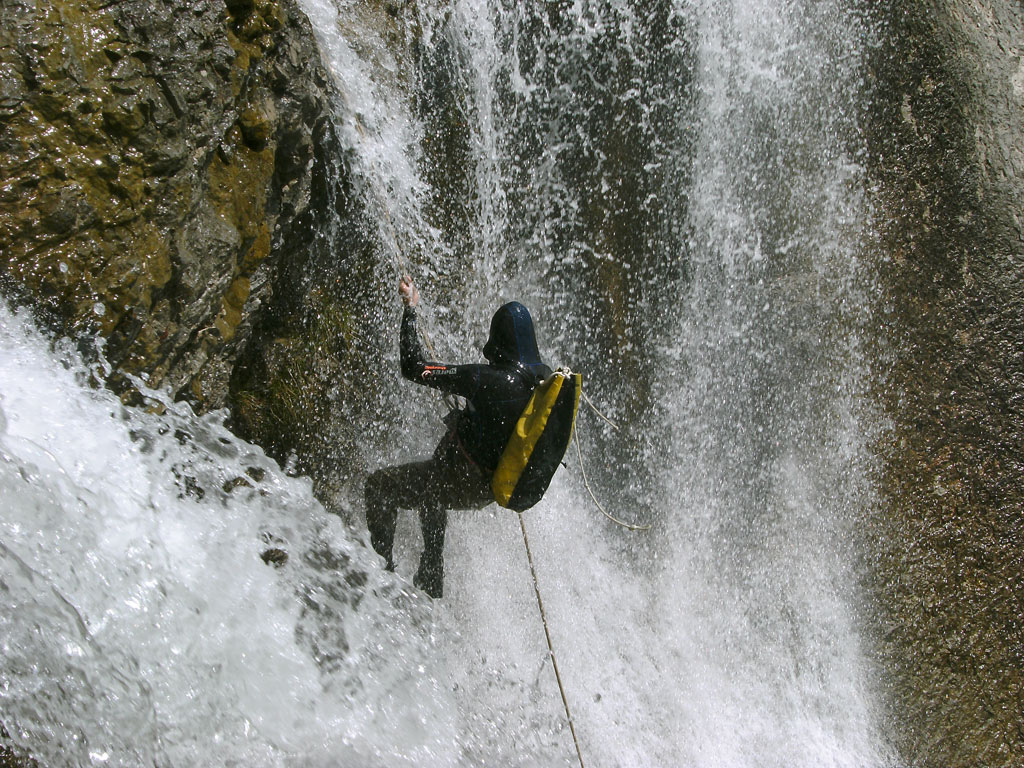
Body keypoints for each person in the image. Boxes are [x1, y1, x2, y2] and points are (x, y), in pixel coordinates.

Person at [365, 276, 551, 598]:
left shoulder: (486, 378)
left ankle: (382, 573)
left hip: (461, 479)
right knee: (432, 483)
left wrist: (411, 309)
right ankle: (432, 566)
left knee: (379, 486)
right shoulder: (544, 380)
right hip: (490, 487)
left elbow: (413, 367)